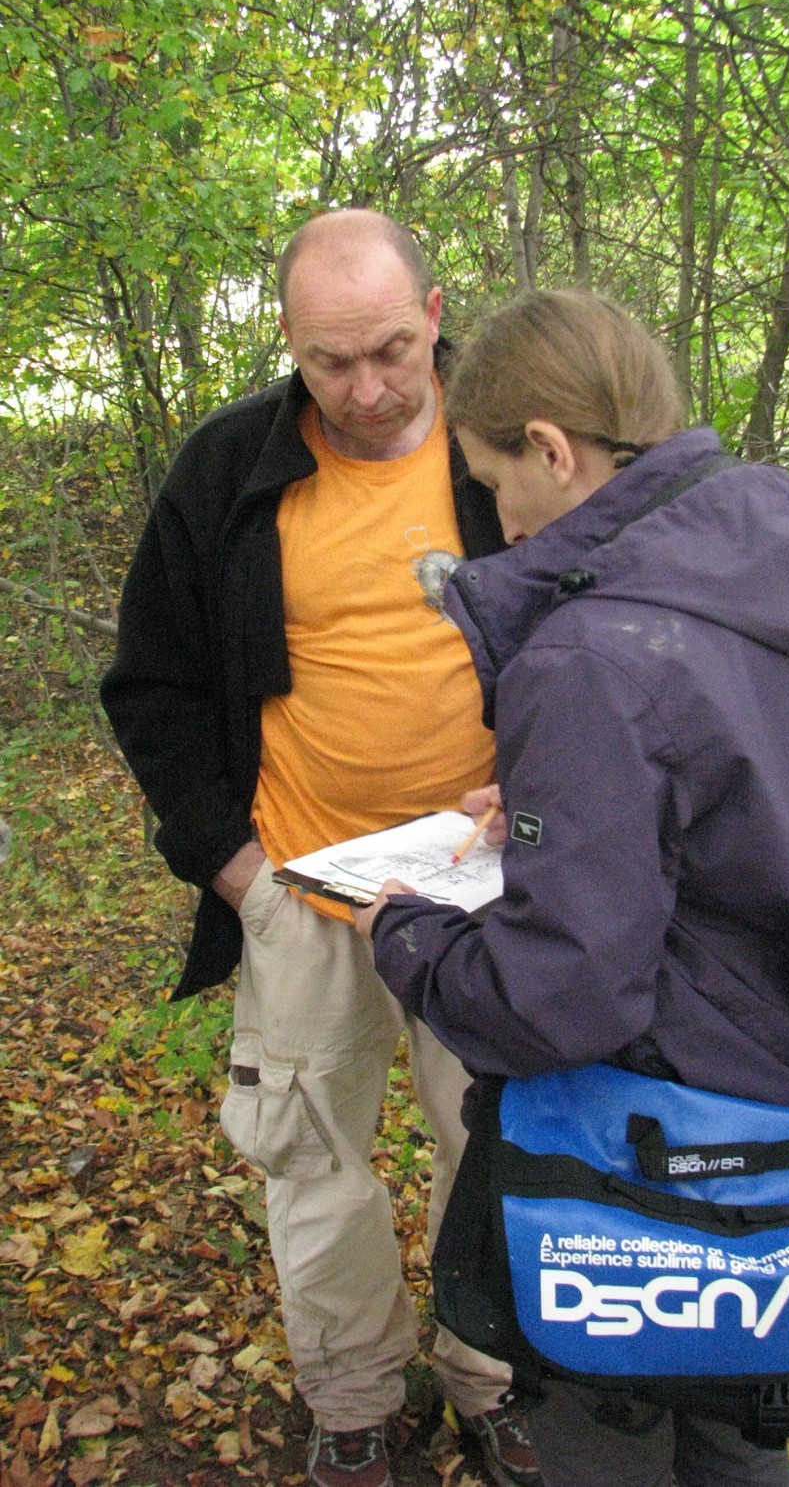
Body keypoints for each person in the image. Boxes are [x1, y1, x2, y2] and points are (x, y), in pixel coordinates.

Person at [353, 287, 789, 1487]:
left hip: (647, 1157)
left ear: (553, 451)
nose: (499, 521)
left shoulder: (589, 651)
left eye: (491, 480)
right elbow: (747, 801)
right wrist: (560, 813)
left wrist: (404, 935)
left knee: (605, 1439)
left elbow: (559, 993)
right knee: (740, 1427)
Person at [100, 210, 545, 1487]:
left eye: (391, 352)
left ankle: (489, 1381)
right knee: (309, 1163)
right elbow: (152, 687)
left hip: (487, 890)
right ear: (289, 343)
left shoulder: (512, 445)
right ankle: (354, 1401)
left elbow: (606, 635)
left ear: (437, 311)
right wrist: (235, 872)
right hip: (300, 885)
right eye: (327, 361)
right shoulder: (229, 471)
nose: (362, 389)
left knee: (496, 1147)